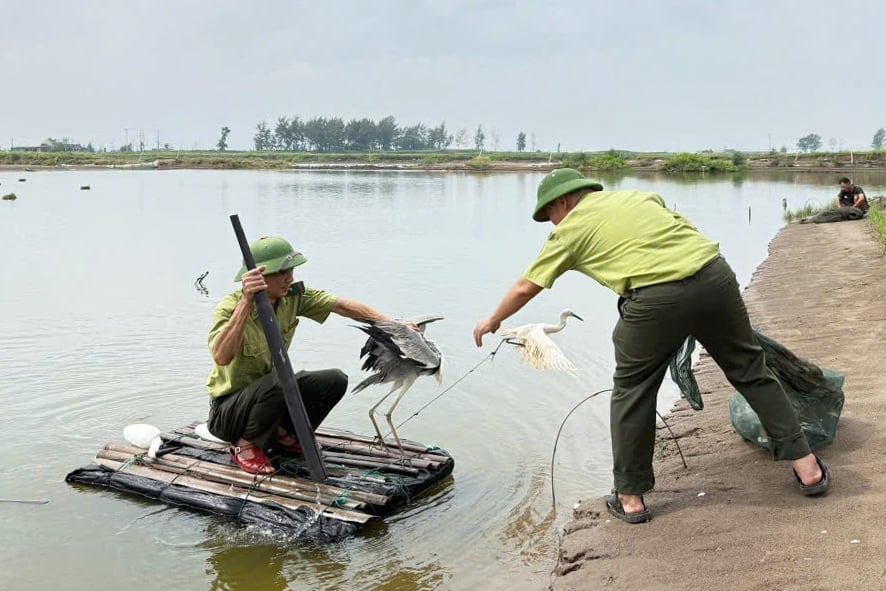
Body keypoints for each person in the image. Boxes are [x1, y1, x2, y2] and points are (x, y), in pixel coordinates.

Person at [473, 168, 830, 523]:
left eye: (548, 215)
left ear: (563, 202)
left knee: (633, 391)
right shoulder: (638, 196)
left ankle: (630, 497)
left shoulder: (568, 230)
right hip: (714, 276)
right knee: (751, 371)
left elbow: (526, 286)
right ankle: (808, 468)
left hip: (654, 300)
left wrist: (493, 320)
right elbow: (678, 234)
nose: (551, 224)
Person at [206, 235, 395, 475]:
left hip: (272, 398)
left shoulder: (292, 296)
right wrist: (246, 301)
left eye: (291, 270)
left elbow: (341, 306)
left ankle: (284, 434)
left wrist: (393, 325)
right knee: (281, 379)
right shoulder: (230, 307)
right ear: (260, 275)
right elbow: (221, 357)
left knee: (334, 380)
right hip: (229, 414)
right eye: (282, 272)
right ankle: (245, 446)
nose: (290, 278)